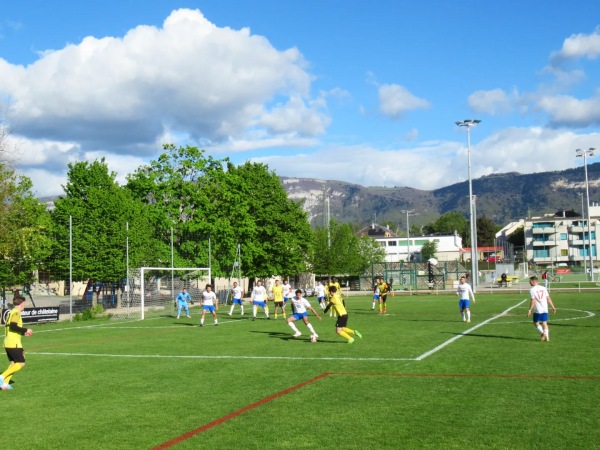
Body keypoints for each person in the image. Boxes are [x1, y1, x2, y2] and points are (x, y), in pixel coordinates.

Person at [1, 296, 33, 390]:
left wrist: (23, 332)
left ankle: (4, 384)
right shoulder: (16, 313)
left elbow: (12, 328)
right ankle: (2, 377)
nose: (24, 305)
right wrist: (26, 329)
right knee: (21, 363)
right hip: (14, 343)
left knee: (13, 364)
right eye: (24, 303)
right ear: (21, 303)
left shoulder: (11, 312)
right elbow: (13, 326)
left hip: (8, 342)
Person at [527, 275, 556, 341]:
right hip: (545, 308)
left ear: (533, 282)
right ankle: (547, 337)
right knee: (544, 323)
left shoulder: (532, 290)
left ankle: (543, 333)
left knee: (535, 322)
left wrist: (530, 310)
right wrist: (553, 307)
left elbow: (533, 301)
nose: (529, 283)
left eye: (530, 282)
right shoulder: (543, 288)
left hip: (538, 309)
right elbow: (548, 298)